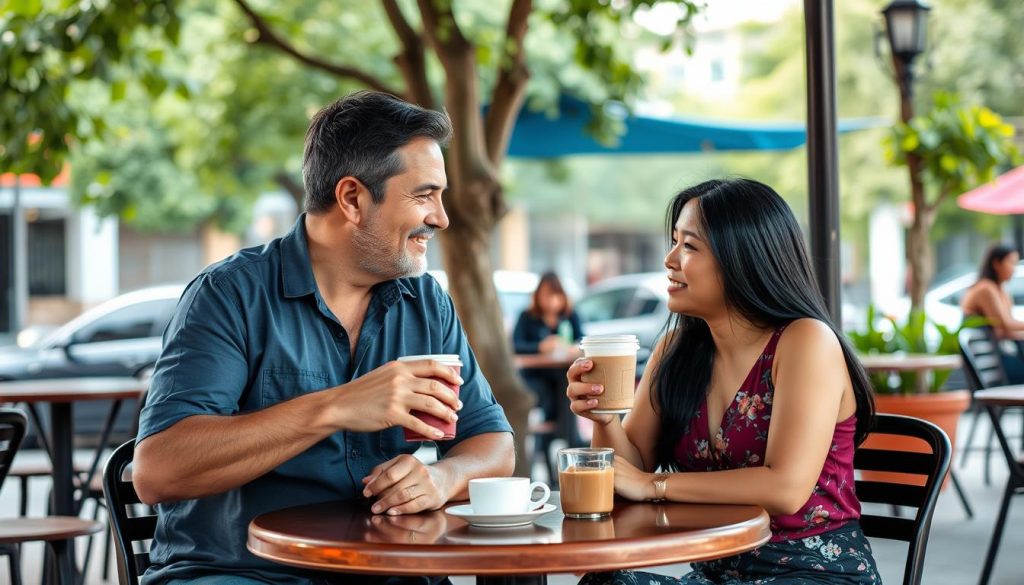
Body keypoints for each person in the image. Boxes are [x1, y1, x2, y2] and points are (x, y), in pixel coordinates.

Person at [132, 91, 515, 585]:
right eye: (424, 195)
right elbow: (158, 471)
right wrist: (338, 406)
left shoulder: (425, 302)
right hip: (243, 573)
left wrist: (444, 477)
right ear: (352, 199)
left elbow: (494, 443)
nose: (441, 217)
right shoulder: (230, 295)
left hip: (387, 573)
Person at [567, 178, 880, 584]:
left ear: (743, 259)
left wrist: (654, 484)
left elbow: (785, 489)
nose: (670, 259)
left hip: (814, 571)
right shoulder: (675, 350)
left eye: (689, 246)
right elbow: (627, 477)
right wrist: (604, 415)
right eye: (674, 242)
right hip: (718, 574)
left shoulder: (806, 341)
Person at [513, 271, 584, 427]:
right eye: (547, 295)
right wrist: (540, 346)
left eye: (556, 295)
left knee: (568, 389)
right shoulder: (527, 317)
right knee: (546, 395)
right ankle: (548, 435)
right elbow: (516, 346)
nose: (552, 300)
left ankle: (568, 435)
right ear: (538, 296)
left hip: (563, 371)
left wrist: (573, 347)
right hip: (536, 374)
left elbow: (582, 340)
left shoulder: (570, 315)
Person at [960, 243, 1024, 382]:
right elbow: (1006, 325)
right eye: (1011, 263)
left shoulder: (1001, 290)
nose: (1014, 269)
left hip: (998, 357)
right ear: (996, 263)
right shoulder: (986, 288)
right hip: (995, 364)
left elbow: (1006, 329)